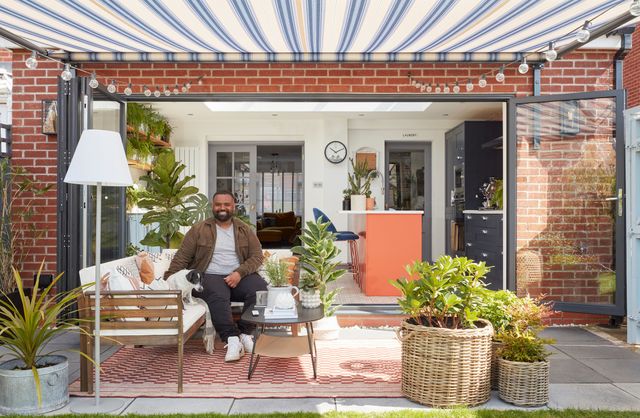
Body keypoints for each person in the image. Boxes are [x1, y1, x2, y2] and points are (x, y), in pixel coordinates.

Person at [164, 190, 266, 362]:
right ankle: (231, 339)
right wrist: (169, 278)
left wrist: (239, 273)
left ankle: (245, 333)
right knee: (218, 294)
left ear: (233, 207)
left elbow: (257, 256)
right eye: (218, 204)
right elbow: (183, 256)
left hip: (238, 275)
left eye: (226, 204)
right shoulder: (199, 230)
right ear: (213, 206)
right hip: (209, 275)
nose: (222, 208)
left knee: (260, 290)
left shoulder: (244, 229)